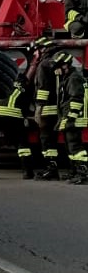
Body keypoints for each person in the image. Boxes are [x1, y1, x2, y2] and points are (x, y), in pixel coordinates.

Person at [0, 74, 33, 180]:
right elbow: (26, 108)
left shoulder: (1, 83)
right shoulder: (24, 88)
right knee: (22, 144)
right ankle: (27, 172)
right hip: (13, 115)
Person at [31, 37, 66, 180]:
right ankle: (53, 168)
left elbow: (43, 88)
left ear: (42, 49)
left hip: (47, 109)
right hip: (58, 108)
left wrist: (39, 107)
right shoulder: (56, 63)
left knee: (46, 139)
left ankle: (51, 169)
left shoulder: (44, 65)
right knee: (52, 140)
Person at [51, 52, 88, 185]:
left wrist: (70, 119)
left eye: (58, 66)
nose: (56, 69)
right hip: (70, 117)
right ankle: (74, 171)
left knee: (75, 147)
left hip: (74, 118)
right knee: (69, 147)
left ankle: (83, 173)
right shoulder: (69, 77)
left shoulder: (73, 78)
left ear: (65, 65)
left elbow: (76, 99)